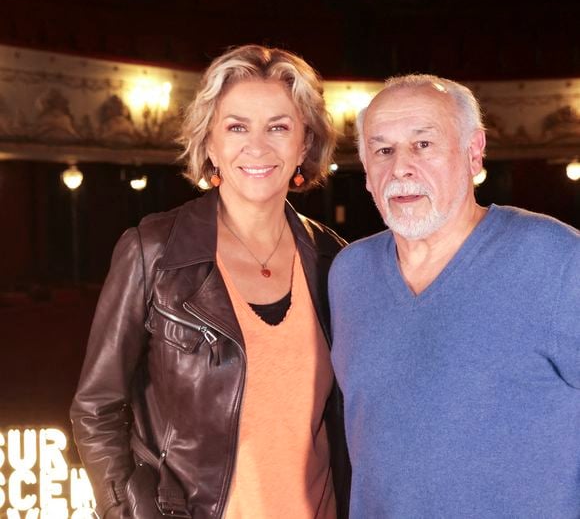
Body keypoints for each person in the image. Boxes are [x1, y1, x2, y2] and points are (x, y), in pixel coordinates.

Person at [71, 45, 350, 519]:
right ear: (209, 143)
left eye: (279, 127)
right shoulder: (154, 251)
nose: (257, 146)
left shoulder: (335, 259)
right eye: (236, 126)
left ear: (304, 143)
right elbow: (96, 408)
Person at [329, 74, 580, 518]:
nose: (401, 167)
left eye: (423, 145)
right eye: (383, 150)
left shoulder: (556, 258)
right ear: (366, 171)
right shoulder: (349, 274)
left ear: (473, 152)